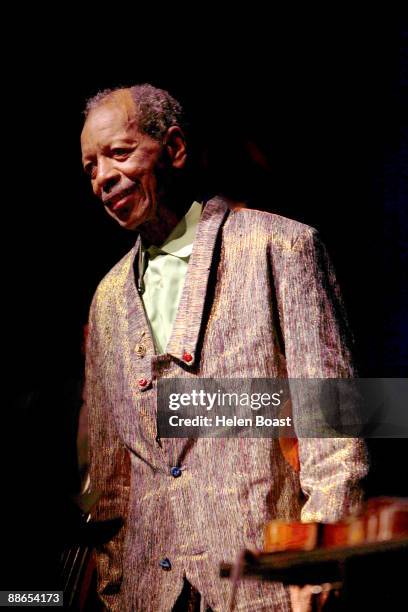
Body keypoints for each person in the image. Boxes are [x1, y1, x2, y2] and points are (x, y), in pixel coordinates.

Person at [80, 84, 368, 611]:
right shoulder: (105, 300)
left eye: (119, 153)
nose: (102, 177)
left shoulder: (279, 248)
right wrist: (116, 586)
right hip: (149, 596)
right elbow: (110, 467)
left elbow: (335, 425)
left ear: (174, 148)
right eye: (90, 166)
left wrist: (322, 560)